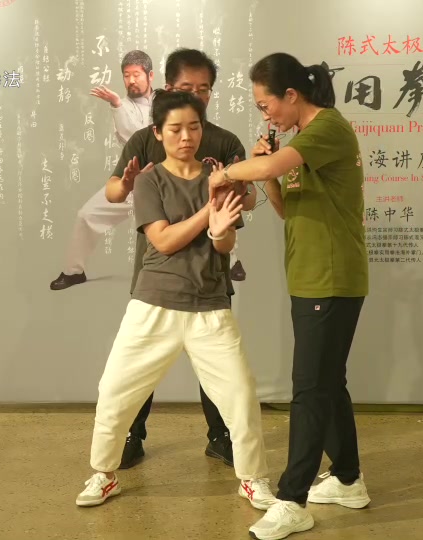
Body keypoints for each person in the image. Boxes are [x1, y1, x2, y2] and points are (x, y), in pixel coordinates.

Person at [75, 89, 275, 511]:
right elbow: (163, 240)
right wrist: (208, 211)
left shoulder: (219, 176)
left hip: (210, 305)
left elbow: (224, 244)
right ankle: (104, 475)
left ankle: (253, 478)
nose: (186, 137)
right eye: (176, 129)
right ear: (158, 133)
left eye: (194, 127)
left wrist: (220, 229)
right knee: (115, 392)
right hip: (154, 304)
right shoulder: (149, 180)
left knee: (240, 397)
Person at [207, 53, 371, 540]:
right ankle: (348, 479)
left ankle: (292, 499)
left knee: (309, 389)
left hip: (332, 277)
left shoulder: (327, 129)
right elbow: (285, 208)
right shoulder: (303, 142)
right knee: (328, 383)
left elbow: (269, 165)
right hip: (311, 277)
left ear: (292, 96)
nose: (266, 115)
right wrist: (267, 174)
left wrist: (228, 173)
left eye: (266, 105)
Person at [104, 48, 257, 470]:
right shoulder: (147, 138)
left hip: (209, 272)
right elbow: (114, 190)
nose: (196, 96)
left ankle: (221, 437)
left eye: (204, 89)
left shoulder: (224, 141)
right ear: (167, 88)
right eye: (187, 88)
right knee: (140, 366)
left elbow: (249, 198)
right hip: (157, 273)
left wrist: (238, 187)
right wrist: (128, 183)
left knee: (218, 367)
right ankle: (132, 436)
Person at [50, 49, 155, 291]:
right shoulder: (122, 105)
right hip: (130, 182)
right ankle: (74, 272)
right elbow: (134, 139)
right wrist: (116, 104)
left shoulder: (165, 101)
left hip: (163, 180)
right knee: (87, 215)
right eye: (126, 75)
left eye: (136, 74)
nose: (131, 80)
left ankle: (230, 263)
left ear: (150, 75)